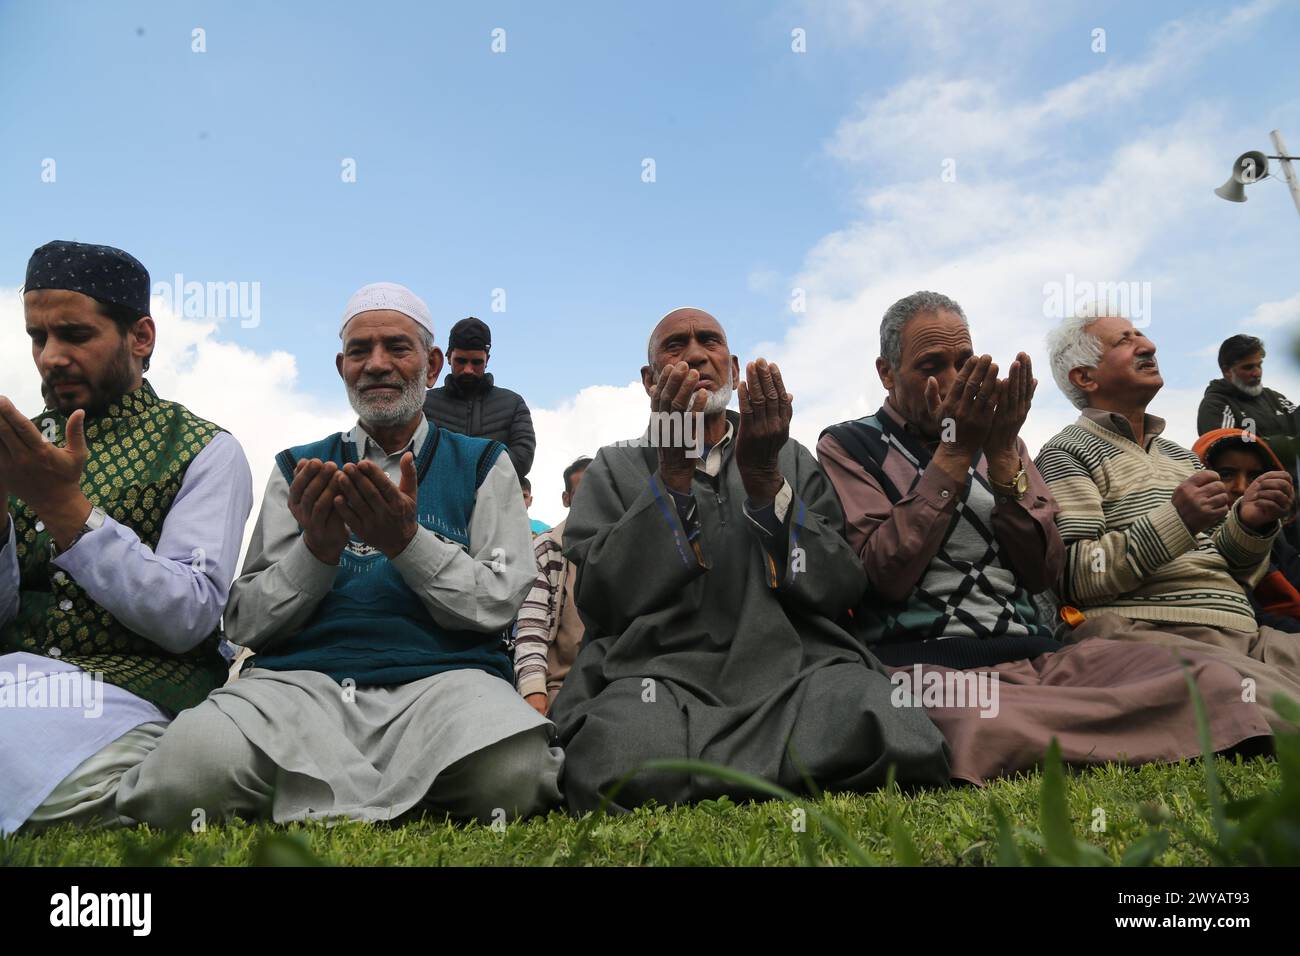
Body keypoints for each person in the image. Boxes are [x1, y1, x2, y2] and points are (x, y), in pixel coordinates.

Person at [116, 283, 562, 827]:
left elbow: (497, 601)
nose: (376, 365)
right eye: (359, 351)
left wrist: (407, 544)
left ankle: (312, 795)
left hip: (445, 686)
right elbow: (246, 619)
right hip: (299, 687)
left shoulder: (484, 463)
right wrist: (316, 552)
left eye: (397, 348)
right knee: (182, 776)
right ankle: (403, 795)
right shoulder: (299, 468)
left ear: (433, 363)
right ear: (341, 366)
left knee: (512, 773)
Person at [817, 292, 1268, 783]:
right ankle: (1096, 734)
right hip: (929, 663)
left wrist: (1005, 459)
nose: (953, 380)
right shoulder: (847, 444)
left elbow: (1043, 572)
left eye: (965, 362)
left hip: (1037, 656)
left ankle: (1053, 733)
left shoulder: (1003, 442)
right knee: (974, 720)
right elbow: (885, 575)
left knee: (1210, 681)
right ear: (886, 373)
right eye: (932, 365)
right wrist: (953, 455)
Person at [550, 307, 951, 813]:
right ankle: (790, 771)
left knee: (890, 725)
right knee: (614, 758)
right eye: (676, 346)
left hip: (795, 671)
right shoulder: (615, 466)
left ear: (735, 368)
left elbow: (841, 586)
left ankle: (712, 778)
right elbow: (600, 601)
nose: (696, 353)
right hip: (658, 680)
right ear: (650, 381)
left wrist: (766, 482)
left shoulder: (789, 457)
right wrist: (672, 475)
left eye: (709, 341)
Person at [1, 240, 252, 834]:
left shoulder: (204, 449)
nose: (50, 358)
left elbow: (188, 615)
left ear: (140, 337)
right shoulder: (17, 444)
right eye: (38, 338)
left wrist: (65, 508)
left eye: (74, 336)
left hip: (127, 695)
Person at [1037, 312, 1300, 728]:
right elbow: (1075, 576)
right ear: (1086, 377)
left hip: (1243, 631)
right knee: (1264, 697)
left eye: (1141, 334)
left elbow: (1234, 566)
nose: (1149, 346)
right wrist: (1177, 519)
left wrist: (1251, 524)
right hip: (1154, 631)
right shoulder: (1066, 453)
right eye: (1124, 341)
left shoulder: (1179, 456)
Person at [1193, 429, 1300, 633]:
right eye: (1226, 474)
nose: (1241, 487)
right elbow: (1249, 615)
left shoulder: (1274, 536)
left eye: (1254, 476)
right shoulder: (1186, 540)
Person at [514, 456, 591, 715]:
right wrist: (534, 690)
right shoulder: (548, 548)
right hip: (561, 684)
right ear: (566, 499)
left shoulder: (626, 545)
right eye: (583, 493)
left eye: (600, 490)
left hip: (616, 682)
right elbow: (531, 626)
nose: (594, 499)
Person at [422, 316, 536, 478]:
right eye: (461, 361)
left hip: (494, 501)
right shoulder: (425, 403)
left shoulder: (513, 404)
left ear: (487, 360)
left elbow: (522, 459)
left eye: (476, 362)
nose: (468, 369)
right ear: (448, 358)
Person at [1197, 334, 1298, 479]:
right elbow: (1228, 449)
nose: (1257, 373)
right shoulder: (1216, 405)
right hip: (1253, 494)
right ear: (1227, 371)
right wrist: (1289, 444)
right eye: (1248, 367)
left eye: (1259, 365)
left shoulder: (1275, 398)